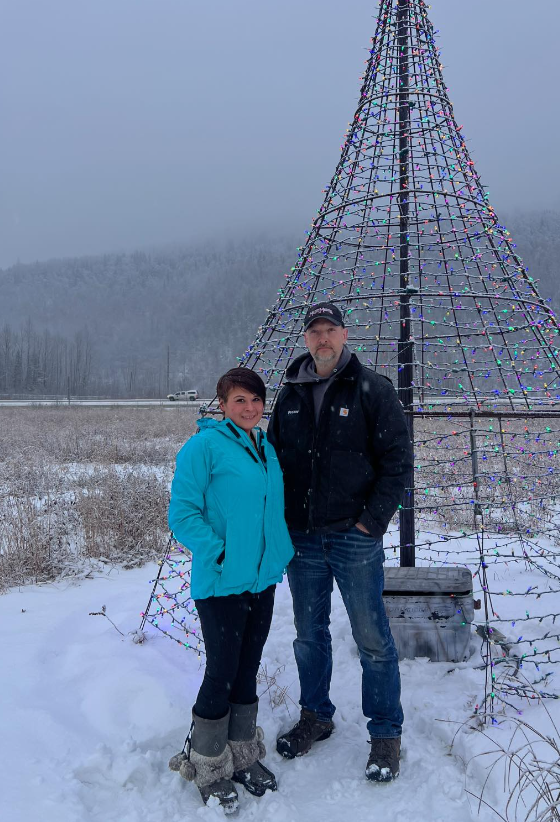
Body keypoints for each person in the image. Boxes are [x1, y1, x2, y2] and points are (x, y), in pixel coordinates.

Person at [268, 301, 412, 782]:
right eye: (315, 331)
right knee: (309, 636)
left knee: (372, 638)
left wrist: (371, 523)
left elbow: (397, 463)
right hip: (303, 540)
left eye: (330, 329)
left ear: (345, 334)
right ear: (306, 339)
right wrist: (278, 523)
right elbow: (272, 464)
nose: (322, 338)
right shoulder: (289, 394)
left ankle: (386, 735)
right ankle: (316, 716)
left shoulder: (372, 389)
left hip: (354, 537)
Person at [167, 367, 295, 811]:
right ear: (221, 405)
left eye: (256, 400)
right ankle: (208, 763)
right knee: (221, 670)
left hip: (261, 579)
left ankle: (242, 755)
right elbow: (182, 514)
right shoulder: (203, 447)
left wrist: (278, 553)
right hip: (221, 581)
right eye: (239, 400)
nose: (249, 408)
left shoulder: (265, 447)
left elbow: (268, 509)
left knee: (248, 667)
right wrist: (219, 553)